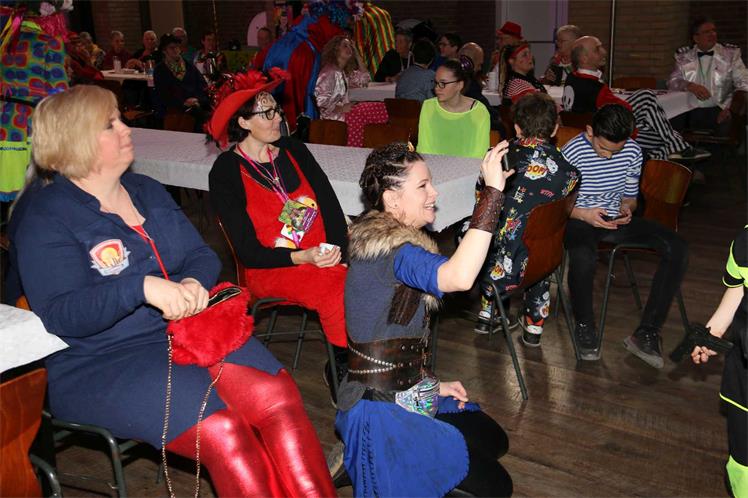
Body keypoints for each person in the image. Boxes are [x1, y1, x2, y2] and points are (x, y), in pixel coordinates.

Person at [14, 85, 337, 498]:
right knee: (224, 432)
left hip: (191, 331)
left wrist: (192, 282)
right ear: (74, 141)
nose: (126, 128)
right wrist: (138, 288)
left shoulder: (146, 190)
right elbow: (63, 314)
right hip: (104, 360)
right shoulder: (46, 216)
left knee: (279, 398)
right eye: (110, 124)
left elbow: (201, 255)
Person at [334, 141, 514, 497]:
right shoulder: (394, 252)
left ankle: (361, 459)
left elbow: (396, 340)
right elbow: (459, 277)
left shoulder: (394, 241)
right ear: (392, 199)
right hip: (377, 409)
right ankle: (363, 458)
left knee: (494, 440)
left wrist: (433, 386)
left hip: (404, 385)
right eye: (423, 186)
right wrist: (491, 196)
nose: (434, 193)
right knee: (497, 488)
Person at [207, 70, 350, 402]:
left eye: (277, 110)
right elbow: (248, 252)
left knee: (370, 274)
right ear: (243, 122)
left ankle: (372, 360)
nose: (278, 119)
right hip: (272, 267)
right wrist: (304, 256)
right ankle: (343, 367)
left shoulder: (293, 149)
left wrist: (339, 252)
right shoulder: (226, 171)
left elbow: (329, 205)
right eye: (266, 113)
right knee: (337, 286)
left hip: (323, 256)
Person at [561, 104, 689, 368]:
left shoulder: (632, 150)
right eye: (602, 148)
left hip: (613, 219)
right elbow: (558, 205)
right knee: (583, 256)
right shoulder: (572, 152)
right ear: (590, 131)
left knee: (677, 247)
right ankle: (584, 325)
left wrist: (626, 209)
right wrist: (584, 214)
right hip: (578, 218)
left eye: (615, 151)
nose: (608, 156)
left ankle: (647, 332)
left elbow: (630, 197)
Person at [474, 93, 579, 344]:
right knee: (538, 237)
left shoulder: (497, 158)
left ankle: (489, 312)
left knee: (484, 231)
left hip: (499, 259)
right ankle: (534, 326)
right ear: (555, 129)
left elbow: (481, 199)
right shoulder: (570, 172)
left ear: (517, 127)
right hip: (541, 258)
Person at [563, 36, 709, 161]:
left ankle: (667, 151)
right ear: (584, 58)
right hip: (608, 136)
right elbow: (623, 116)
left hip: (584, 132)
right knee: (660, 124)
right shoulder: (595, 88)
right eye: (597, 49)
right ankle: (675, 149)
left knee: (657, 121)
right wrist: (640, 124)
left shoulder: (572, 78)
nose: (604, 51)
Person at [691, 226, 747, 498]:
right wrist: (714, 332)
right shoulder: (745, 241)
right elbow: (737, 291)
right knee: (743, 460)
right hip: (744, 378)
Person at [668, 17, 748, 137]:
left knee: (725, 128)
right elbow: (672, 81)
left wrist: (730, 109)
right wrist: (689, 85)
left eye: (713, 30)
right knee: (670, 123)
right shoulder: (684, 56)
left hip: (720, 109)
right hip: (689, 109)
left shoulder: (730, 54)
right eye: (707, 32)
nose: (712, 34)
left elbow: (744, 82)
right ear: (696, 38)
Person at [314, 35, 388, 147]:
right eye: (345, 46)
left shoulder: (343, 72)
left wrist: (357, 54)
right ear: (336, 49)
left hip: (343, 115)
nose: (349, 49)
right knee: (368, 113)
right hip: (333, 118)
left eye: (350, 47)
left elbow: (364, 79)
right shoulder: (330, 71)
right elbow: (320, 101)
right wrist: (341, 108)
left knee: (380, 108)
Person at [417, 58, 490, 158]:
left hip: (469, 166)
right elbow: (424, 149)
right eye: (436, 83)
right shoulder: (429, 107)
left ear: (459, 85)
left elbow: (480, 153)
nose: (437, 88)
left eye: (443, 83)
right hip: (434, 165)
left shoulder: (479, 111)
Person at [153, 34, 208, 128]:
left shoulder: (189, 66)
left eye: (177, 47)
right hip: (174, 108)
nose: (176, 50)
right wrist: (183, 102)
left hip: (194, 105)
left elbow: (202, 85)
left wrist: (197, 99)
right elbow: (163, 94)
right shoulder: (160, 70)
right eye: (172, 48)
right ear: (164, 51)